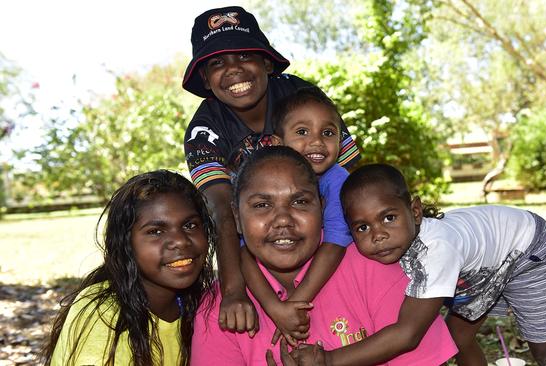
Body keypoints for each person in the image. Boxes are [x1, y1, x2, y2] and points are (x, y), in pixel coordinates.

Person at [181, 6, 360, 337]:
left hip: (319, 218)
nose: (233, 70)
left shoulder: (299, 96)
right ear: (205, 78)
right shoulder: (205, 130)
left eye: (245, 54)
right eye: (217, 62)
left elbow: (346, 169)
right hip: (252, 233)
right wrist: (234, 293)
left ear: (266, 61)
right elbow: (224, 212)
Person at [190, 146, 457, 365]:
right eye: (262, 205)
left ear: (323, 208)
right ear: (237, 218)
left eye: (299, 202)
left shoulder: (373, 265)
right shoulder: (221, 311)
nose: (283, 220)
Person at [330, 163, 546, 366]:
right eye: (363, 227)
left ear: (415, 211)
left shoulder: (436, 251)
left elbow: (408, 334)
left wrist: (327, 361)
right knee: (457, 336)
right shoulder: (399, 242)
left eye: (388, 217)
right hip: (484, 262)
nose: (378, 235)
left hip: (527, 246)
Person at [42, 170, 217, 366]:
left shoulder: (200, 305)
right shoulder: (102, 312)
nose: (180, 241)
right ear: (126, 244)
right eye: (156, 231)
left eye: (190, 225)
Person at [240, 87, 353, 345]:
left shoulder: (337, 180)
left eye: (328, 133)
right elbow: (243, 251)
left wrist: (295, 303)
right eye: (303, 132)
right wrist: (274, 307)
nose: (316, 142)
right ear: (278, 143)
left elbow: (336, 242)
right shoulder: (260, 178)